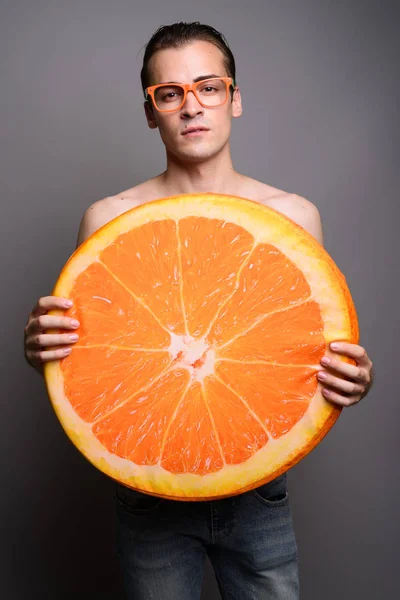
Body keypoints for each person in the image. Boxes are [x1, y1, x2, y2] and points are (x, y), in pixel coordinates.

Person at [23, 21, 374, 600]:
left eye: (208, 87)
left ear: (234, 99)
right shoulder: (107, 219)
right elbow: (99, 362)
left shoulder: (294, 217)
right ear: (150, 111)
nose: (191, 107)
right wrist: (38, 349)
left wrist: (359, 377)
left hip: (259, 488)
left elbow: (306, 354)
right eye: (170, 93)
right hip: (148, 490)